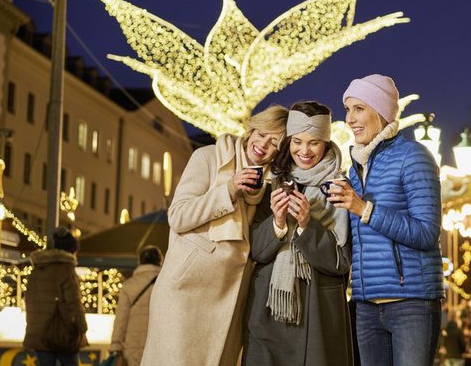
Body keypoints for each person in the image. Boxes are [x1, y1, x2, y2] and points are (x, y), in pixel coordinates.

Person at [142, 104, 288, 366]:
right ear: (252, 129)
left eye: (274, 142)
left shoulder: (266, 186)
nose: (263, 145)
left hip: (229, 299)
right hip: (185, 293)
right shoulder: (208, 157)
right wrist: (228, 190)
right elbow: (178, 216)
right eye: (262, 134)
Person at [329, 74, 443, 366]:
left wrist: (364, 209)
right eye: (348, 109)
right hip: (366, 306)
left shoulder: (413, 156)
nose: (350, 119)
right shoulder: (355, 169)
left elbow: (427, 232)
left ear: (380, 112)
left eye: (359, 109)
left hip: (412, 304)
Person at [243, 101, 353, 365]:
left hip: (316, 315)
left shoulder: (339, 187)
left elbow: (341, 261)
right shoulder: (273, 182)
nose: (304, 151)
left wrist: (306, 224)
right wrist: (278, 220)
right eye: (297, 142)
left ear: (326, 143)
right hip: (268, 312)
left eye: (314, 142)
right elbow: (255, 250)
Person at [24, 227, 88, 366]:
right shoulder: (66, 270)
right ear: (71, 251)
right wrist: (82, 326)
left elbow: (29, 300)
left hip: (40, 334)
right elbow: (74, 302)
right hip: (63, 333)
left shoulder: (37, 269)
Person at [109, 246, 163, 366]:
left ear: (140, 261)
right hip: (159, 342)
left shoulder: (129, 285)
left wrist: (115, 344)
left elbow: (121, 319)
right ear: (160, 261)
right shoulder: (165, 283)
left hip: (133, 344)